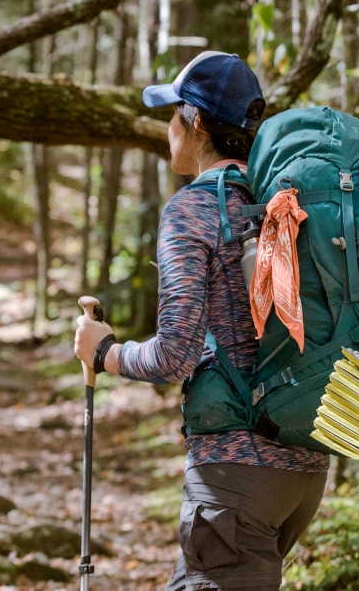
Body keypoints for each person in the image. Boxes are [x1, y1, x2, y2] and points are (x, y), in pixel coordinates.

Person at [74, 51, 330, 590]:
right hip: (303, 467)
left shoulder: (191, 210)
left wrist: (105, 352)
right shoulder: (280, 202)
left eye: (172, 113)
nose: (167, 127)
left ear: (194, 122)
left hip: (237, 471)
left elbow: (176, 355)